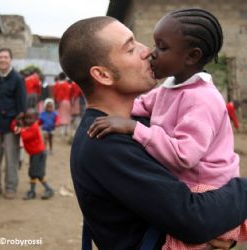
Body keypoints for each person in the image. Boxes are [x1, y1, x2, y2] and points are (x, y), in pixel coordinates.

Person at [59, 16, 247, 250]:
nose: (147, 51)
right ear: (103, 75)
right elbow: (194, 219)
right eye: (130, 48)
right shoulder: (105, 142)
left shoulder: (137, 120)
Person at [0, 48, 27, 199]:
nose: (3, 59)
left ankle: (10, 187)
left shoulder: (17, 78)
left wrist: (19, 122)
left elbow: (22, 103)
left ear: (10, 60)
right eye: (0, 57)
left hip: (10, 125)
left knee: (11, 158)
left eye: (6, 57)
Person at [11, 108, 54, 200]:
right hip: (34, 154)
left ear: (36, 119)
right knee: (33, 173)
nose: (27, 120)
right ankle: (32, 191)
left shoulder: (34, 127)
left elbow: (24, 136)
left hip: (38, 154)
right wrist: (17, 120)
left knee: (37, 174)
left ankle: (49, 189)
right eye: (26, 118)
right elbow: (15, 129)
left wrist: (20, 124)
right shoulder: (28, 126)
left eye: (30, 118)